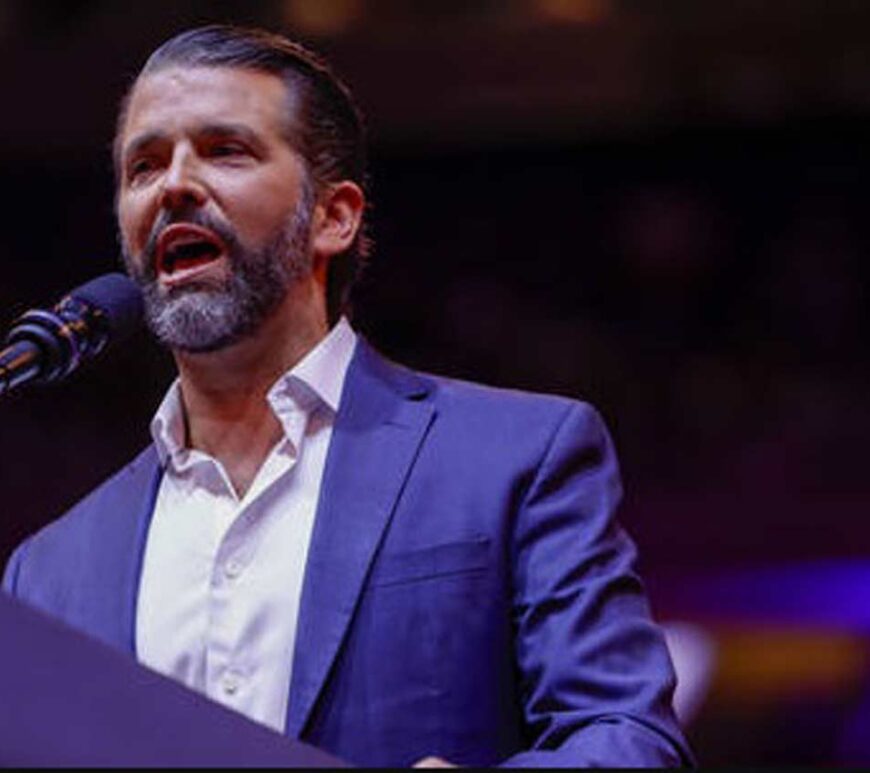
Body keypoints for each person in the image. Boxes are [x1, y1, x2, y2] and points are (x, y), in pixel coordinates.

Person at [2, 25, 692, 767]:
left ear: (334, 217)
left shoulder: (514, 462)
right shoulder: (46, 572)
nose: (173, 184)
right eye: (143, 166)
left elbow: (629, 740)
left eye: (225, 150)